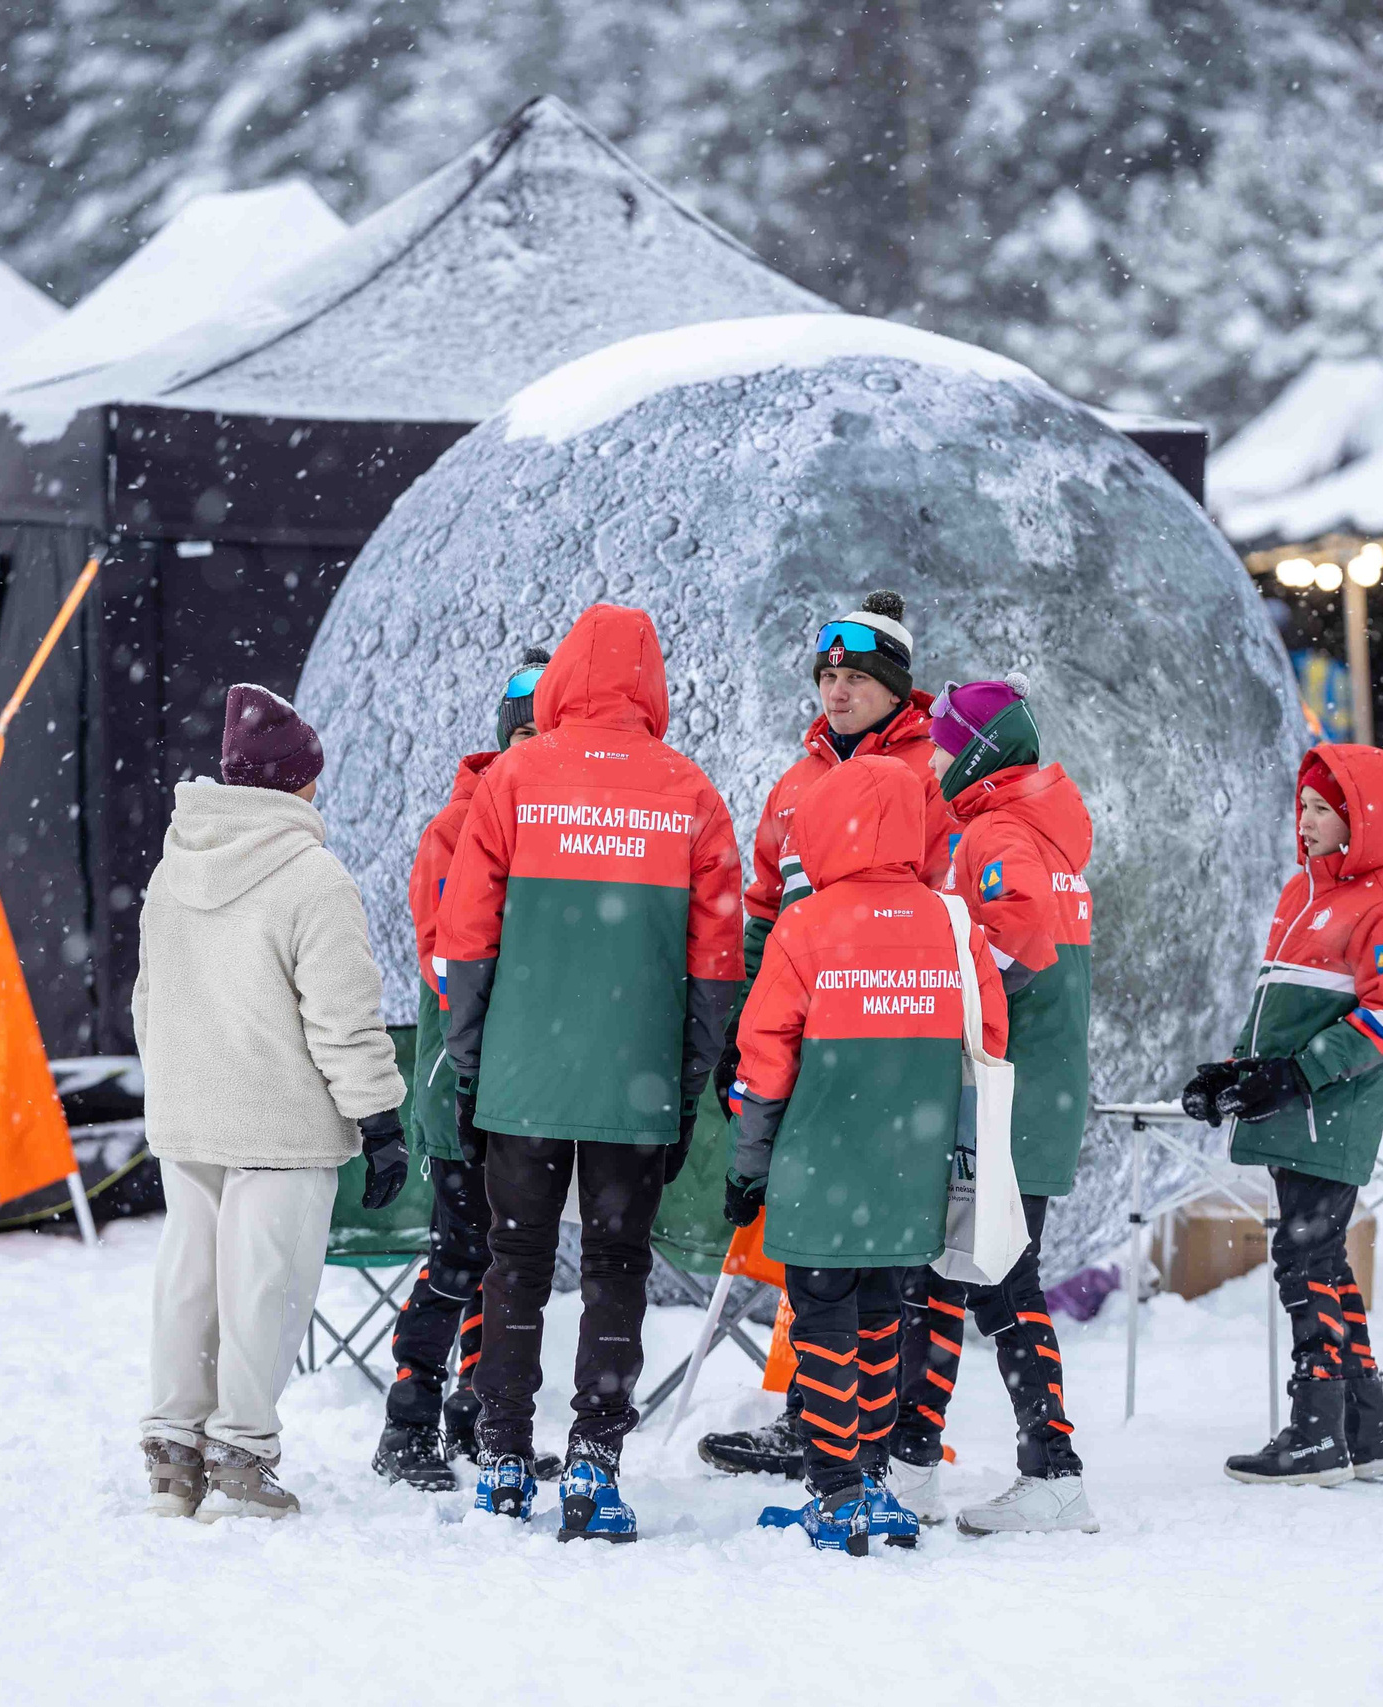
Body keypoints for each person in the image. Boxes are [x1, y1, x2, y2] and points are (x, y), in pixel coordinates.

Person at [436, 603, 742, 1541]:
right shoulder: (689, 791)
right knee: (617, 1265)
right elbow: (715, 964)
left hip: (524, 1080)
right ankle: (596, 1465)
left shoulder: (515, 777)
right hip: (634, 1082)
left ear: (565, 675)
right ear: (653, 682)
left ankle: (499, 1456)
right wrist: (686, 1082)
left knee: (515, 1261)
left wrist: (477, 1064)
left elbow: (466, 939)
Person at [133, 684, 408, 1520]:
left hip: (190, 1118)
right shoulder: (312, 877)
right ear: (296, 785)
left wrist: (181, 1082)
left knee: (191, 1278)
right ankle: (243, 1456)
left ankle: (174, 1452)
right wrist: (381, 1118)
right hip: (280, 1123)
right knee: (266, 1289)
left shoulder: (171, 867)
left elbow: (149, 1003)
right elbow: (341, 1017)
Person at [723, 755, 1006, 1553]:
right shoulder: (953, 922)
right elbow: (988, 1042)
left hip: (821, 1169)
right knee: (885, 1321)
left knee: (823, 1329)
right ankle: (876, 1480)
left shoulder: (805, 925)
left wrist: (748, 1167)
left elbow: (764, 1061)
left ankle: (836, 1487)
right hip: (909, 1174)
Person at [701, 589, 951, 1481]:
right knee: (811, 1234)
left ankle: (879, 1438)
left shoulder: (931, 776)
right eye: (827, 676)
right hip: (801, 1020)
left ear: (895, 688)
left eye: (854, 677)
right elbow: (766, 908)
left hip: (887, 1030)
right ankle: (815, 1415)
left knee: (883, 1251)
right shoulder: (796, 781)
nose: (836, 692)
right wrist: (744, 1017)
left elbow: (941, 916)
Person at [1180, 741, 1383, 1486]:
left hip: (1335, 1109)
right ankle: (1366, 1430)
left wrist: (1299, 1074)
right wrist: (1235, 1072)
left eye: (1326, 808)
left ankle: (1317, 1431)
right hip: (1297, 1106)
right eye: (1305, 806)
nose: (1308, 819)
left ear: (1366, 820)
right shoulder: (1304, 896)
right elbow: (1274, 1009)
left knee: (1303, 1256)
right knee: (1318, 1258)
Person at [890, 673, 1102, 1534]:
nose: (933, 757)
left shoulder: (998, 831)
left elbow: (1011, 943)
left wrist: (940, 1004)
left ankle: (1053, 1469)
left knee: (1000, 1282)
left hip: (1006, 1098)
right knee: (949, 1274)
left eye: (943, 742)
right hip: (1033, 1093)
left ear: (974, 751)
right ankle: (909, 1460)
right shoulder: (1037, 830)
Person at [372, 646, 556, 1491]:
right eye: (522, 730)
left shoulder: (558, 825)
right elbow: (453, 962)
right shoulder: (455, 830)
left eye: (546, 731)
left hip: (524, 1087)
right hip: (460, 1083)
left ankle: (480, 1417)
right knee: (459, 1256)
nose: (533, 745)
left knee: (507, 1258)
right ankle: (407, 1420)